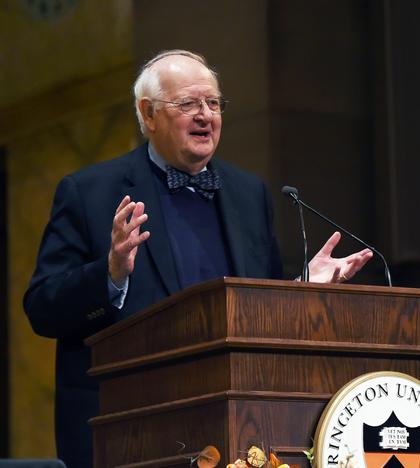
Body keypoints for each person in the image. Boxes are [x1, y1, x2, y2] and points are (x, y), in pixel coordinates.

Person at [23, 50, 373, 468]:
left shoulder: (249, 194)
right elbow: (42, 308)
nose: (205, 115)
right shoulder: (89, 192)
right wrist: (110, 275)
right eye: (188, 104)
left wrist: (299, 291)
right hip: (127, 434)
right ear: (148, 114)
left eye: (213, 103)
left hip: (236, 432)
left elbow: (253, 307)